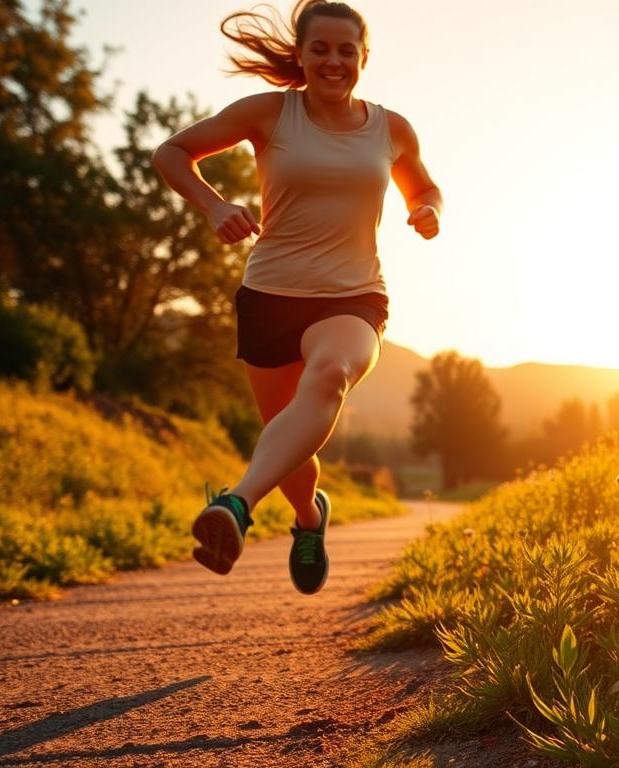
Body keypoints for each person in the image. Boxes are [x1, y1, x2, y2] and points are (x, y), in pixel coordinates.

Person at [152, 0, 441, 594]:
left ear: (363, 58)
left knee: (331, 374)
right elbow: (171, 152)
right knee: (288, 442)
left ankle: (234, 505)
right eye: (321, 49)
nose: (334, 61)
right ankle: (309, 519)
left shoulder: (391, 128)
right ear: (302, 55)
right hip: (269, 297)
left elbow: (425, 183)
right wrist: (214, 206)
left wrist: (426, 207)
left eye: (346, 50)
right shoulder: (269, 113)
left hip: (354, 296)